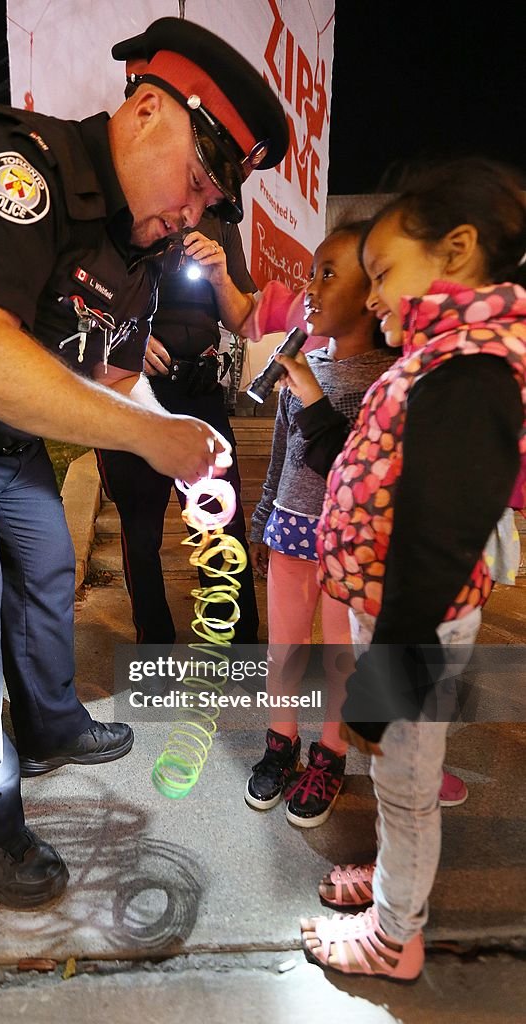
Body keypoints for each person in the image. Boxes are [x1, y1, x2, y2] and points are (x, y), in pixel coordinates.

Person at [0, 17, 289, 909]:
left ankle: (50, 725)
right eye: (201, 177)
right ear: (143, 112)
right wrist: (143, 437)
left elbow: (118, 377)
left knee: (49, 571)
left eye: (215, 198)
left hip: (5, 441)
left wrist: (173, 427)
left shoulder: (136, 253)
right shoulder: (15, 167)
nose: (198, 208)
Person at [280, 157, 526, 980]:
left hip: (411, 630)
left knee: (406, 790)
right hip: (393, 619)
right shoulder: (442, 354)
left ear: (455, 250)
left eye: (383, 272)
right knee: (396, 786)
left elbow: (432, 544)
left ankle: (394, 940)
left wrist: (382, 685)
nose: (374, 293)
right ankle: (392, 889)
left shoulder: (471, 371)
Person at [243, 222, 395, 825]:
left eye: (327, 274)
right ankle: (280, 741)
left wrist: (309, 392)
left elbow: (353, 468)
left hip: (347, 550)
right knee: (284, 649)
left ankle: (329, 755)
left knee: (339, 658)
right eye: (311, 271)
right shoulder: (297, 367)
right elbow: (281, 456)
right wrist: (260, 521)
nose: (308, 287)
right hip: (290, 530)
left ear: (371, 293)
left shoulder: (387, 382)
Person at [96, 210, 259, 645]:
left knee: (219, 525)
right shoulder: (118, 207)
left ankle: (236, 648)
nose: (197, 197)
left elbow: (245, 321)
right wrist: (128, 335)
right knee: (141, 530)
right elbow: (77, 296)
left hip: (197, 389)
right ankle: (155, 654)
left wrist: (221, 276)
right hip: (128, 391)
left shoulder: (219, 219)